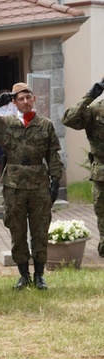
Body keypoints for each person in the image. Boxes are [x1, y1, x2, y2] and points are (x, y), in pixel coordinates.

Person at [0, 82, 64, 290]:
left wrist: (55, 181)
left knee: (40, 230)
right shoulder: (4, 123)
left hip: (39, 184)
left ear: (34, 99)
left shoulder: (45, 124)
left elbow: (53, 156)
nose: (25, 101)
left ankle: (39, 275)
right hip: (13, 186)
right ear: (13, 102)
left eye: (28, 97)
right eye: (20, 99)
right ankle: (24, 275)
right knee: (17, 230)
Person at [62, 77, 104, 258]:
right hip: (102, 171)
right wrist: (89, 96)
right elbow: (69, 119)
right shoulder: (95, 110)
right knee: (102, 211)